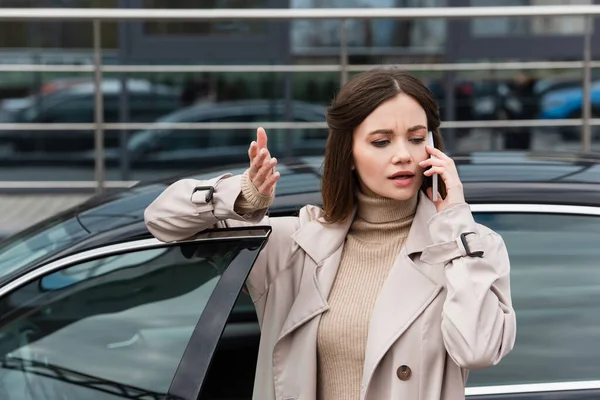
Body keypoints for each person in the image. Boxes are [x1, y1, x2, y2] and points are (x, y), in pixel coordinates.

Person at [144, 68, 517, 400]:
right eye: (382, 141)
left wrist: (453, 221)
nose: (403, 154)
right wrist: (242, 194)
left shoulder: (468, 248)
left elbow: (478, 350)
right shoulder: (294, 246)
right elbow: (160, 220)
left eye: (417, 138)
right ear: (349, 154)